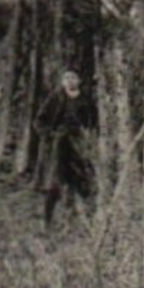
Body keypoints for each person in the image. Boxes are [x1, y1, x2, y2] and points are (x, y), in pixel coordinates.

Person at [37, 68, 90, 224]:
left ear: (79, 80)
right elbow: (39, 120)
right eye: (66, 78)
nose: (70, 80)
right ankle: (47, 220)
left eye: (73, 77)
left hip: (79, 143)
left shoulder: (85, 99)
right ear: (62, 81)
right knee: (54, 181)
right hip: (59, 144)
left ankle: (79, 218)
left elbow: (92, 120)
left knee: (80, 179)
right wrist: (50, 134)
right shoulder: (55, 97)